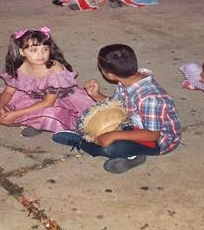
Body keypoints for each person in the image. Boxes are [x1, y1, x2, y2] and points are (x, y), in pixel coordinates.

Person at [51, 44, 181, 174]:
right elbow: (117, 106)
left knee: (110, 149)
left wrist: (113, 135)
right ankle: (130, 153)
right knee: (89, 115)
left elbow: (152, 135)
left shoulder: (150, 98)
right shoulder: (128, 80)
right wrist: (96, 95)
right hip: (132, 124)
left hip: (158, 141)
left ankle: (81, 142)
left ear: (110, 75)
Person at [0, 28, 94, 137]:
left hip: (60, 100)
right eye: (34, 50)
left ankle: (39, 123)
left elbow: (48, 102)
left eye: (45, 49)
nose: (41, 54)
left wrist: (16, 114)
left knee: (52, 114)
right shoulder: (20, 67)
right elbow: (8, 92)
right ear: (22, 52)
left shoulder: (54, 68)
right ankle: (35, 122)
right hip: (34, 97)